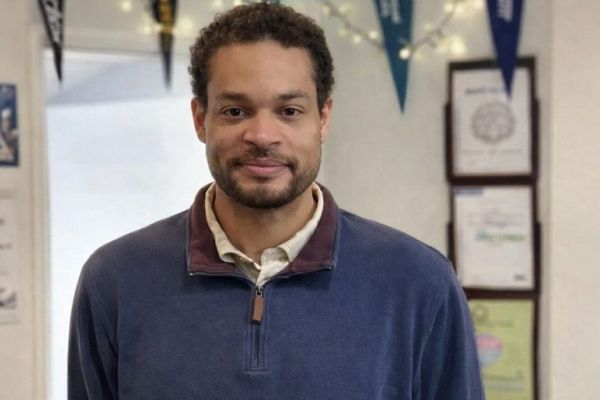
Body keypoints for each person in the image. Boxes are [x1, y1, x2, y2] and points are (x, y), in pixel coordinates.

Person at [68, 3, 484, 399]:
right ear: (200, 119)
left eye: (289, 111)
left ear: (323, 118)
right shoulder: (114, 281)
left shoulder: (418, 283)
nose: (262, 136)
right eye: (235, 111)